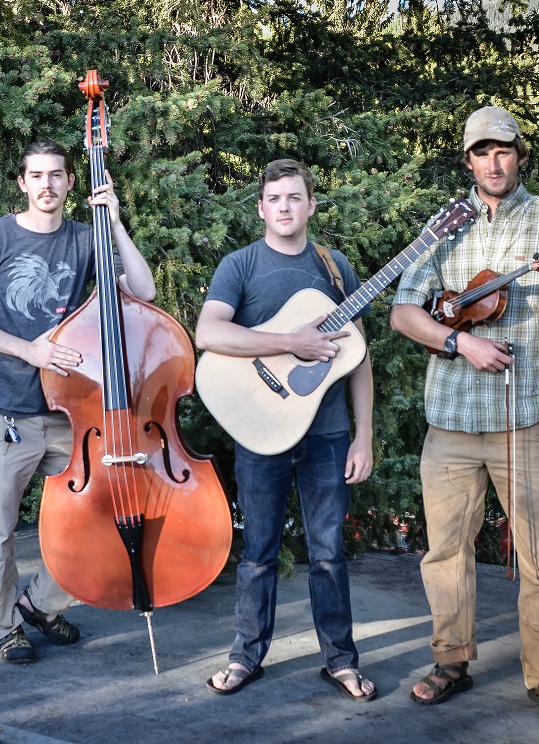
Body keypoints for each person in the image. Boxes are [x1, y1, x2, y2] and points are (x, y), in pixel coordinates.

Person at [390, 106, 539, 721]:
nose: (493, 162)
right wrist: (460, 341)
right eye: (482, 152)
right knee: (445, 555)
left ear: (518, 156)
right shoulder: (443, 227)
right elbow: (404, 314)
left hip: (529, 420)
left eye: (503, 151)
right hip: (451, 423)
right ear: (468, 160)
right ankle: (451, 662)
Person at [0, 139, 157, 663]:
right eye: (37, 175)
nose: (47, 184)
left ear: (71, 182)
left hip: (67, 413)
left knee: (103, 509)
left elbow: (144, 290)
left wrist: (113, 222)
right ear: (22, 183)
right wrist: (29, 350)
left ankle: (41, 605)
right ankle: (5, 630)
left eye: (57, 175)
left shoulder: (86, 238)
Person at [195, 159, 377, 700]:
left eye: (294, 198)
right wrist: (287, 342)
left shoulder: (336, 268)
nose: (284, 207)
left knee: (328, 554)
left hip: (327, 435)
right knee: (258, 554)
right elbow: (209, 334)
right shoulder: (240, 265)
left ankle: (341, 661)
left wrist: (364, 436)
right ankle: (245, 657)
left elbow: (360, 359)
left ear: (311, 205)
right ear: (261, 207)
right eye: (274, 199)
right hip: (260, 430)